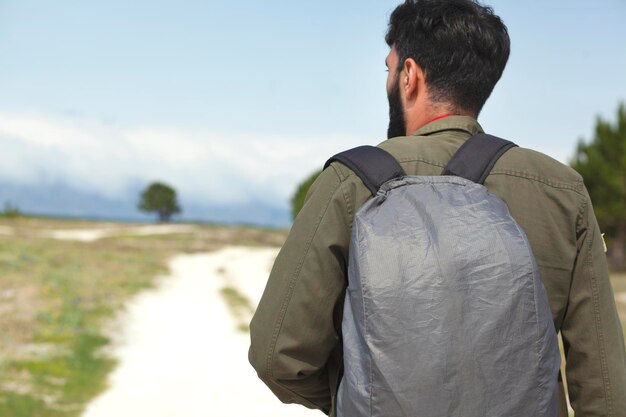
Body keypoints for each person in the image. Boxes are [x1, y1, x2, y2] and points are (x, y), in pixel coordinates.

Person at [249, 1, 626, 416]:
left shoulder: (350, 183)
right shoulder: (561, 191)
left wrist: (357, 399)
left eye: (389, 68)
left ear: (409, 76)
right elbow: (605, 387)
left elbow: (277, 356)